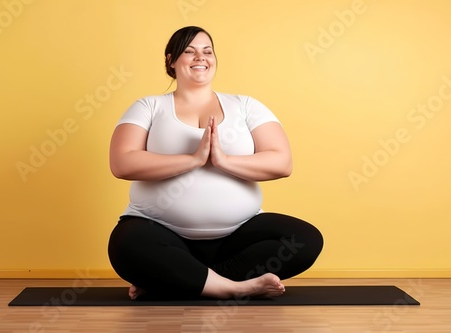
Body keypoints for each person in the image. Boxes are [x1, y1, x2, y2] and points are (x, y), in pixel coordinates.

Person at [107, 26, 323, 300]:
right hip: (160, 231)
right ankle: (233, 288)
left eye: (207, 51)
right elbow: (122, 162)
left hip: (236, 237)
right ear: (171, 61)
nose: (201, 57)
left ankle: (176, 279)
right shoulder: (147, 107)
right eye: (189, 51)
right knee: (126, 245)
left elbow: (282, 162)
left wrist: (222, 160)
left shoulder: (246, 106)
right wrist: (192, 160)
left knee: (305, 239)